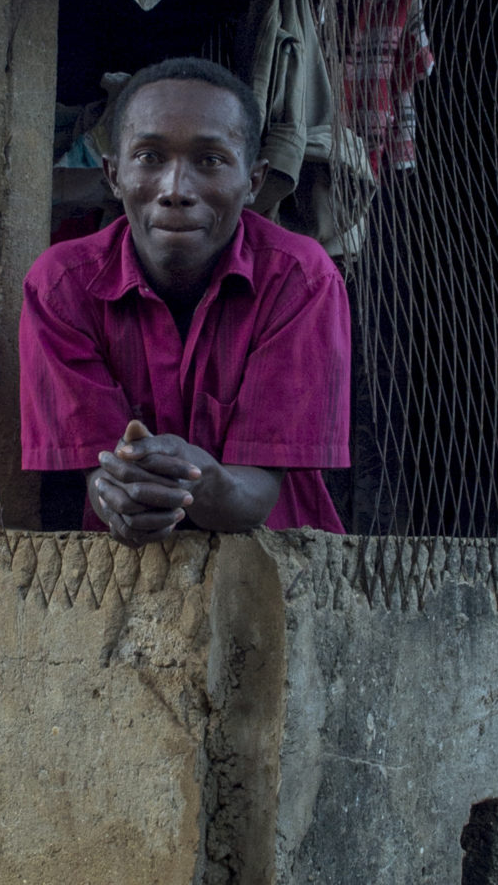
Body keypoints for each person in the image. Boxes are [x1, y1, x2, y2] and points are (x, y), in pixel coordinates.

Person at [20, 56, 351, 539]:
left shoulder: (300, 279)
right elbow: (99, 475)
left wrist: (195, 478)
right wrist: (119, 498)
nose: (176, 190)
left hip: (278, 572)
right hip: (126, 580)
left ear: (253, 181)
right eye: (150, 157)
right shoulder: (60, 287)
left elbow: (255, 498)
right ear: (113, 175)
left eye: (210, 161)